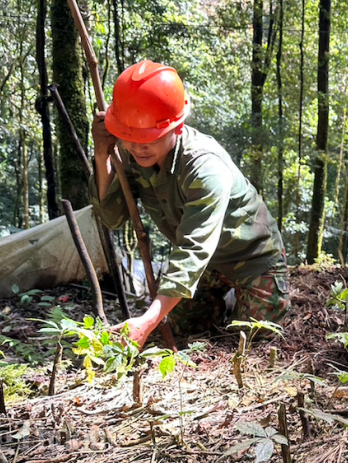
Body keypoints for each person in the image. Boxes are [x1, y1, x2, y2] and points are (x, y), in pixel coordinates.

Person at [91, 60, 290, 347]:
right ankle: (223, 301)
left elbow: (192, 249)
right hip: (208, 267)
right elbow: (111, 218)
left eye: (149, 138)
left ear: (177, 126)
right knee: (183, 331)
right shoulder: (131, 154)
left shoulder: (205, 167)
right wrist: (102, 154)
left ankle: (240, 299)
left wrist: (149, 319)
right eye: (130, 137)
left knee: (251, 345)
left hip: (252, 260)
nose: (138, 147)